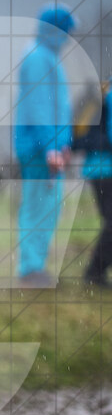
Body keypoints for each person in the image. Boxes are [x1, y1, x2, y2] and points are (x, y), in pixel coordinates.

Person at [14, 4, 76, 288]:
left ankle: (35, 266)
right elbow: (40, 106)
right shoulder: (38, 57)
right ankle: (30, 269)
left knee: (48, 207)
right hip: (39, 149)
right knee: (38, 206)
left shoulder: (46, 56)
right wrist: (51, 147)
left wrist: (62, 144)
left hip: (47, 147)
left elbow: (57, 108)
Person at [74, 77, 112, 288]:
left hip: (96, 168)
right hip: (106, 169)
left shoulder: (104, 92)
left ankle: (96, 272)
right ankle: (94, 272)